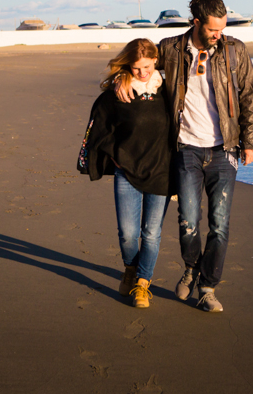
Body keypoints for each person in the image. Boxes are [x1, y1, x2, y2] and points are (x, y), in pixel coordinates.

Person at [117, 0, 253, 312]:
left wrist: (250, 141)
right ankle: (192, 267)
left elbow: (249, 95)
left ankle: (207, 288)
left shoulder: (234, 50)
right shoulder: (171, 48)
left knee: (220, 224)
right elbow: (139, 61)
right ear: (196, 22)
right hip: (186, 150)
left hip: (225, 149)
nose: (218, 35)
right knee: (189, 223)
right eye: (213, 29)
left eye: (223, 29)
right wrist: (121, 78)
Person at [78, 38, 173, 308]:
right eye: (135, 68)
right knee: (128, 234)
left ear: (156, 60)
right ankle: (130, 269)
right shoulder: (119, 91)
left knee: (151, 233)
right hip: (127, 171)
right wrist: (113, 157)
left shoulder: (168, 91)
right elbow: (98, 124)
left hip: (161, 171)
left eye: (146, 67)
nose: (141, 73)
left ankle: (143, 283)